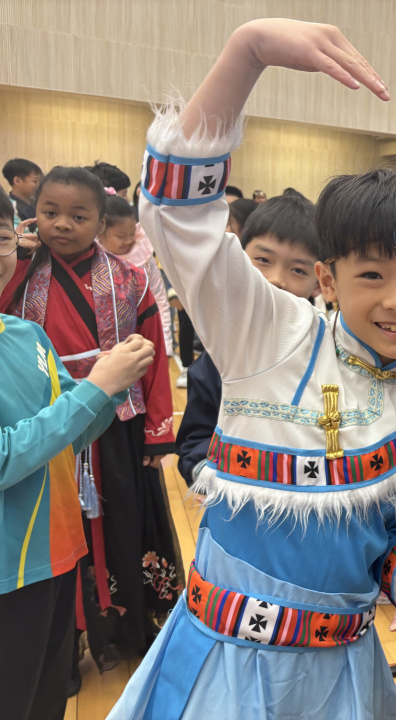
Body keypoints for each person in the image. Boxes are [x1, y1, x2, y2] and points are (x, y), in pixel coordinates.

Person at [108, 18, 396, 720]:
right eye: (371, 274)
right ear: (327, 280)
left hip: (345, 675)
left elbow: (369, 540)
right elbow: (177, 213)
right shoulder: (272, 334)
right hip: (229, 674)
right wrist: (248, 51)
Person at [8, 167, 178, 679]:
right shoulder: (17, 272)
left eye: (78, 216)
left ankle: (127, 628)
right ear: (33, 215)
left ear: (101, 222)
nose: (62, 224)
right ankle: (61, 643)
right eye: (50, 212)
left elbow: (152, 349)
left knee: (122, 526)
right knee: (57, 531)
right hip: (44, 424)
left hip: (113, 424)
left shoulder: (129, 279)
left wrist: (157, 432)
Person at [176, 194, 322, 487]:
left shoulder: (330, 349)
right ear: (238, 260)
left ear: (320, 282)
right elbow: (195, 440)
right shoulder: (221, 351)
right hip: (236, 498)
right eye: (263, 260)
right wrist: (213, 479)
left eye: (298, 270)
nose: (276, 279)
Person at [98, 196, 174, 356]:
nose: (129, 241)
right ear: (100, 230)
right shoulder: (92, 257)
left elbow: (159, 300)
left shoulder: (144, 256)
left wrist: (165, 344)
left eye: (132, 234)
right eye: (121, 236)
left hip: (140, 339)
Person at [3, 157, 42, 225]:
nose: (38, 185)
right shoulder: (9, 209)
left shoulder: (38, 201)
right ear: (17, 181)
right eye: (35, 181)